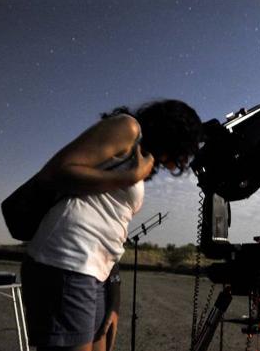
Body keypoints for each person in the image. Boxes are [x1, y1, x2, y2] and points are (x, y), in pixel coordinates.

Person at [21, 99, 202, 351]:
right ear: (176, 135)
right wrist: (131, 176)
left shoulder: (139, 155)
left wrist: (113, 301)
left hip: (93, 271)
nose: (183, 159)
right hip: (67, 259)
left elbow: (113, 225)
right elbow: (58, 171)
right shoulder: (127, 128)